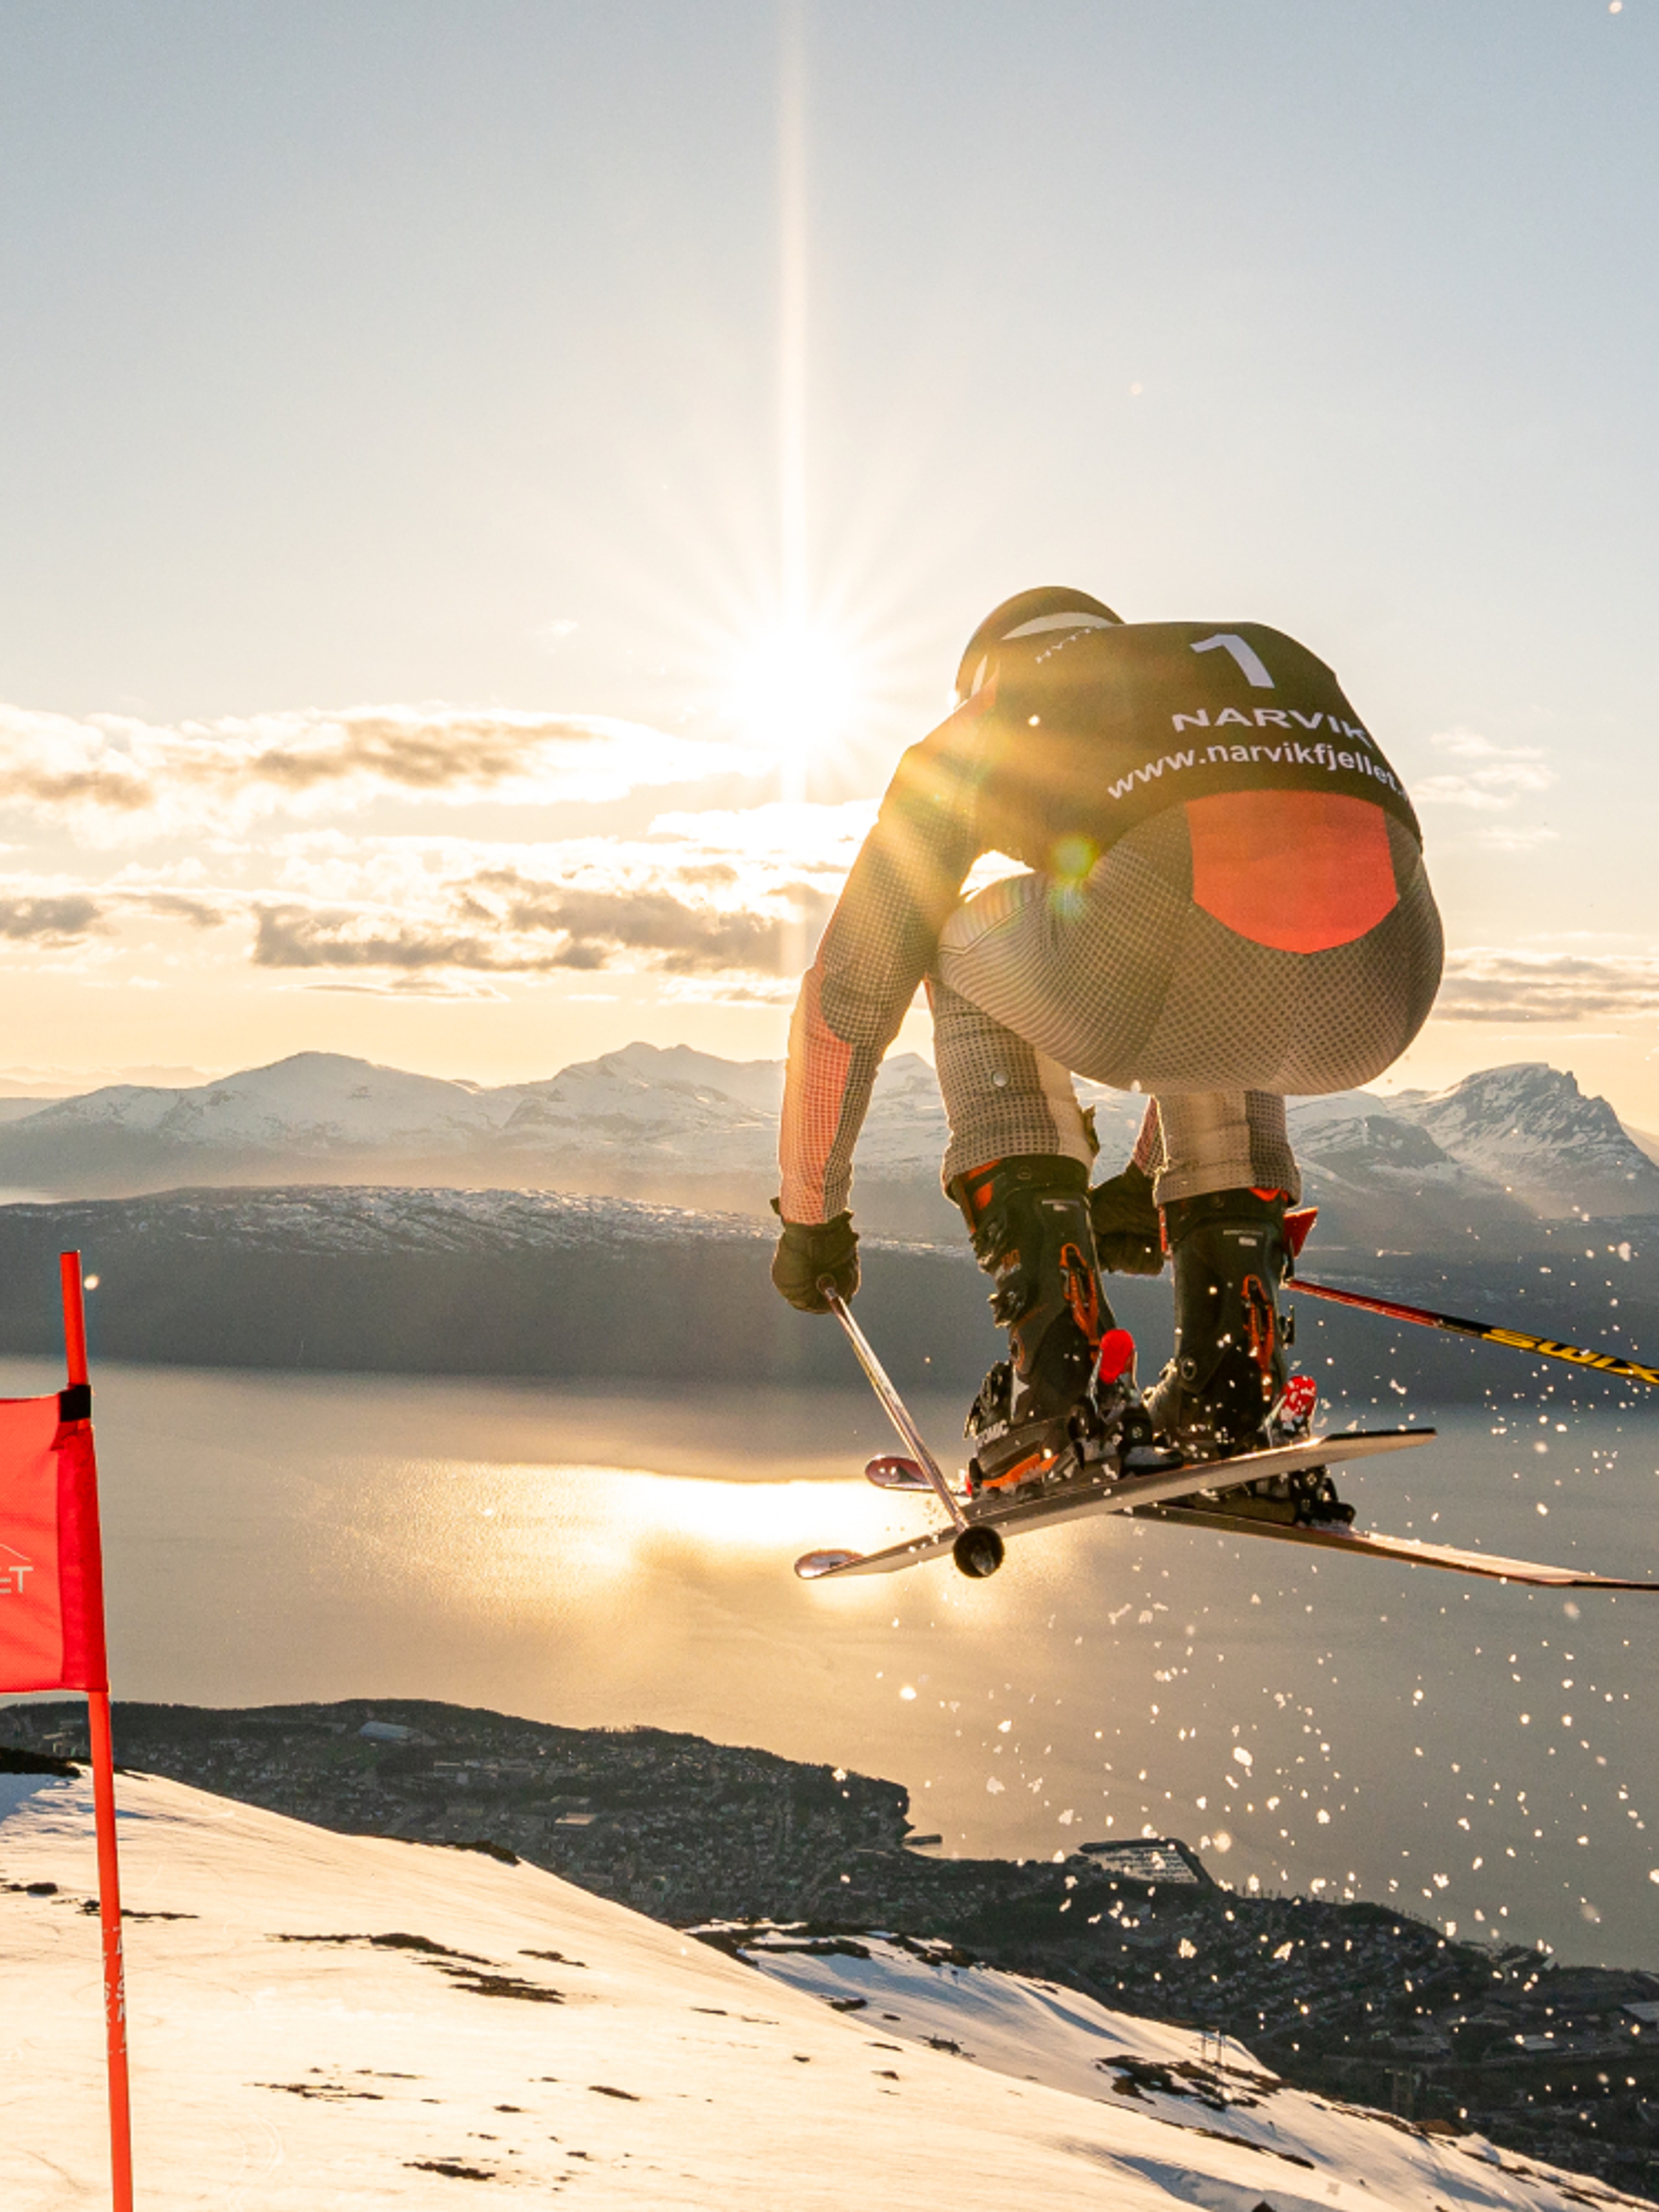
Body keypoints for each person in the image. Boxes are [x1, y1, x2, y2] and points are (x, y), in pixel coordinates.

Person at [769, 588, 1442, 1510]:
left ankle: (1062, 1378)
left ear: (986, 674)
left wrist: (813, 1215)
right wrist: (1148, 1182)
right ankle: (1229, 1386)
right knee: (1214, 904)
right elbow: (1252, 936)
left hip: (1188, 934)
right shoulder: (1256, 665)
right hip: (1391, 983)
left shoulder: (996, 715)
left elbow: (849, 992)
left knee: (955, 946)